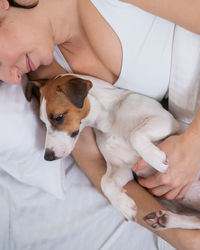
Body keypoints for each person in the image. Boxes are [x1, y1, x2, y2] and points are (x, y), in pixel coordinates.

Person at [0, 0, 200, 249]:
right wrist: (182, 237)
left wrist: (194, 141)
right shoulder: (46, 77)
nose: (12, 78)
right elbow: (98, 166)